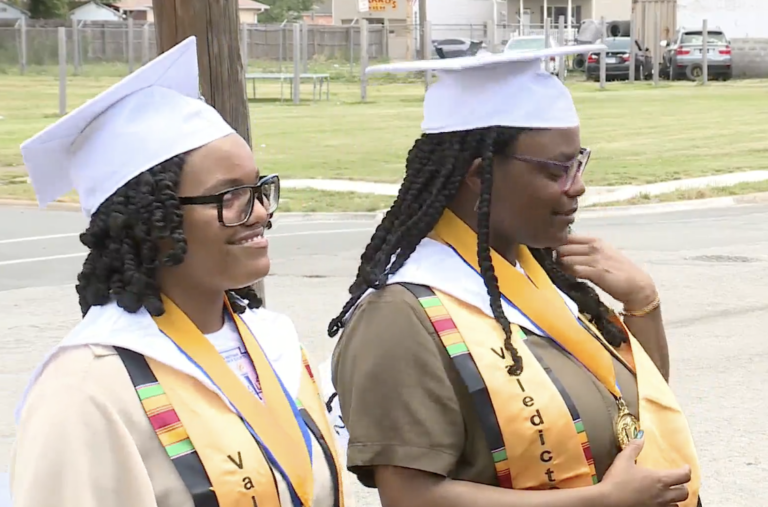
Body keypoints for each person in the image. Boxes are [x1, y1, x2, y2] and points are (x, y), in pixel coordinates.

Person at [327, 46, 702, 507]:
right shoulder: (403, 315)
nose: (578, 185)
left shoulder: (545, 280)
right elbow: (411, 497)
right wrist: (599, 502)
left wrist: (643, 303)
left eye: (578, 162)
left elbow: (633, 412)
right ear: (479, 176)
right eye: (556, 170)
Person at [11, 36, 343, 507]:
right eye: (227, 195)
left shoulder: (276, 343)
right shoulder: (88, 389)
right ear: (151, 221)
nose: (261, 211)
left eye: (258, 187)